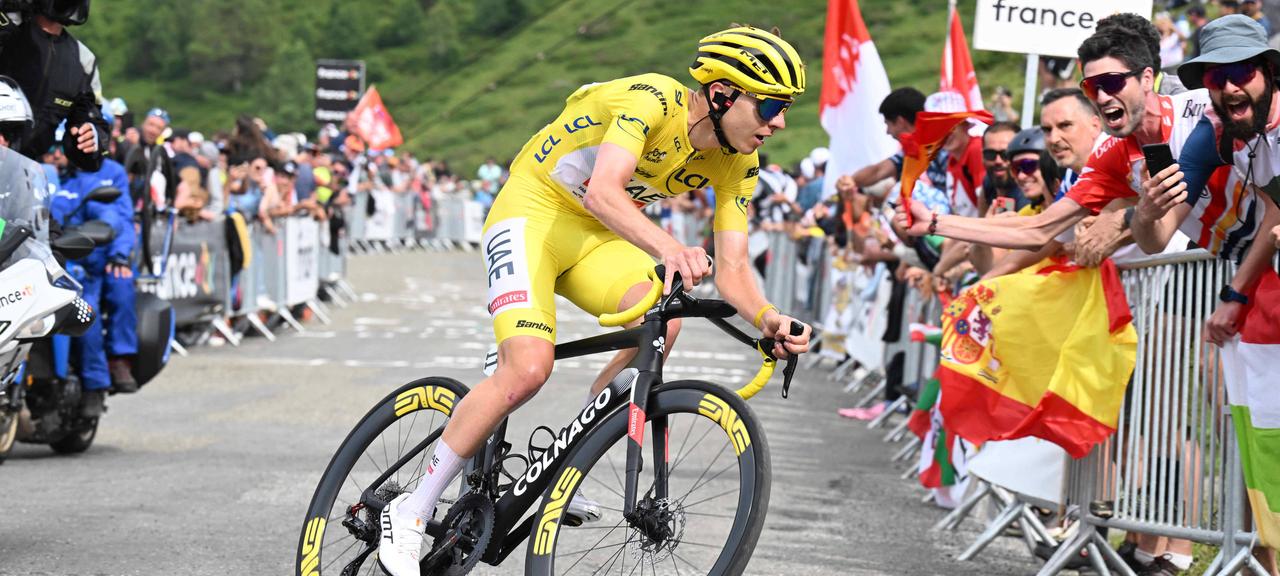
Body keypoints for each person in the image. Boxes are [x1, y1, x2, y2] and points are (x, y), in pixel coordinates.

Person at [376, 25, 814, 576]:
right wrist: (671, 247)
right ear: (724, 93)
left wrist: (771, 319)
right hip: (532, 212)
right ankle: (410, 509)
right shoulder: (651, 100)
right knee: (528, 371)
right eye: (771, 105)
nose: (779, 123)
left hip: (595, 238)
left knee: (663, 319)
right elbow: (605, 191)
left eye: (786, 108)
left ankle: (573, 456)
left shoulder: (737, 162)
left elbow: (732, 269)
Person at [896, 14, 1207, 255]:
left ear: (1147, 77)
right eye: (1091, 88)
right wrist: (936, 223)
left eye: (1111, 83)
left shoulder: (1202, 109)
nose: (1100, 98)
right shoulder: (1112, 155)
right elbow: (1037, 230)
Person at [1134, 14, 1280, 365]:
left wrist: (1236, 293)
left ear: (1270, 73)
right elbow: (1155, 240)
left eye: (1242, 73)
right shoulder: (1215, 131)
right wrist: (1145, 212)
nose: (1230, 88)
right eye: (1217, 77)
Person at [49, 135, 137, 412]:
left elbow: (111, 219)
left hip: (83, 264)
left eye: (58, 147)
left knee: (85, 313)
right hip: (41, 262)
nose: (53, 153)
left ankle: (95, 385)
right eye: (50, 147)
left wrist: (117, 253)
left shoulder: (89, 181)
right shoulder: (38, 179)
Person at [0, 0, 107, 172]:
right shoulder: (8, 25)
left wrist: (92, 138)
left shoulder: (83, 60)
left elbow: (92, 123)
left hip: (21, 177)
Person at [978, 121, 1025, 214]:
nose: (998, 161)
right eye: (990, 154)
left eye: (1005, 154)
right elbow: (981, 219)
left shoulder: (1027, 193)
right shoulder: (989, 181)